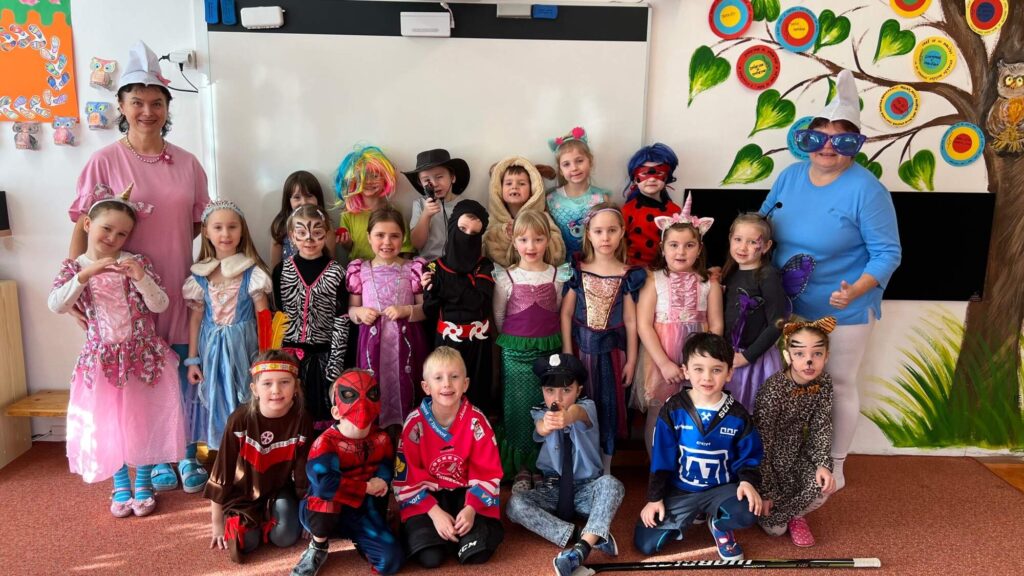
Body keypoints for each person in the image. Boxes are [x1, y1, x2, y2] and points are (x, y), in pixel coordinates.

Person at [69, 40, 209, 492]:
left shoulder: (188, 163)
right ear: (122, 106)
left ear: (167, 107)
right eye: (137, 102)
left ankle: (184, 451)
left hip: (175, 282)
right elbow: (83, 227)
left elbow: (198, 225)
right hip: (118, 295)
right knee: (135, 379)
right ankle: (151, 457)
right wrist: (75, 287)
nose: (147, 111)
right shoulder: (103, 161)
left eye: (156, 103)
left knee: (182, 367)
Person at [760, 69, 901, 490]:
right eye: (819, 137)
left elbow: (888, 252)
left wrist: (856, 289)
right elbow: (762, 224)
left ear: (854, 146)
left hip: (844, 309)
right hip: (786, 306)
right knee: (783, 384)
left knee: (837, 383)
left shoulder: (867, 190)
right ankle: (780, 461)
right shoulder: (789, 176)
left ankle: (835, 466)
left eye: (840, 141)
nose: (827, 148)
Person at [49, 184, 185, 517]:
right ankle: (120, 481)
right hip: (102, 360)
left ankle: (144, 481)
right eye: (106, 228)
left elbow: (160, 304)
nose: (112, 238)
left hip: (142, 357)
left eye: (122, 233)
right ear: (87, 225)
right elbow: (57, 304)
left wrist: (140, 277)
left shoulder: (136, 263)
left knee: (141, 418)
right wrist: (85, 275)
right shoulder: (75, 268)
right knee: (108, 421)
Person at [635, 333, 763, 561]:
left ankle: (719, 524)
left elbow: (749, 455)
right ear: (685, 371)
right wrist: (655, 498)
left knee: (747, 511)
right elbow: (662, 457)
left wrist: (747, 482)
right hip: (682, 489)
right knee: (645, 543)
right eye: (698, 369)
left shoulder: (738, 414)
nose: (707, 377)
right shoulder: (673, 409)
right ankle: (692, 514)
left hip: (721, 489)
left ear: (729, 373)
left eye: (716, 370)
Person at [506, 353, 624, 576]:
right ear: (542, 390)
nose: (557, 398)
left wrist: (568, 417)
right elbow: (541, 427)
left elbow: (577, 413)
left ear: (578, 390)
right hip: (551, 489)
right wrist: (547, 424)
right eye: (550, 390)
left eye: (566, 390)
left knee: (611, 485)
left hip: (585, 489)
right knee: (515, 505)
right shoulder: (540, 412)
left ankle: (580, 551)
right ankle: (587, 535)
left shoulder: (587, 406)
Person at [182, 200, 272, 491]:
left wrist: (266, 357)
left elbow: (263, 316)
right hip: (211, 350)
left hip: (243, 348)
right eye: (218, 227)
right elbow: (196, 318)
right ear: (206, 232)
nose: (225, 233)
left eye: (232, 227)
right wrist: (193, 359)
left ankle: (247, 461)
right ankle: (224, 461)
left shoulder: (251, 272)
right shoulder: (200, 276)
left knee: (245, 399)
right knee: (217, 398)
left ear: (241, 231)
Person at [393, 346, 504, 568]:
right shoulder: (414, 425)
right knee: (430, 558)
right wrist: (435, 514)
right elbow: (405, 479)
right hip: (429, 498)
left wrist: (471, 509)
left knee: (476, 553)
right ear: (426, 386)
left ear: (465, 384)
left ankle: (460, 534)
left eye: (454, 377)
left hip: (466, 494)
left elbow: (489, 472)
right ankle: (440, 534)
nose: (447, 384)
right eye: (438, 378)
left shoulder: (476, 421)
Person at [205, 350, 313, 563]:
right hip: (243, 493)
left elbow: (303, 471)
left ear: (296, 387)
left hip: (278, 490)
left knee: (285, 538)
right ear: (255, 389)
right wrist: (216, 523)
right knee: (248, 543)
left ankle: (269, 514)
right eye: (267, 384)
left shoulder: (302, 419)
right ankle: (241, 516)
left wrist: (307, 513)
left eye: (284, 382)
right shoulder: (239, 420)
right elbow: (222, 471)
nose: (276, 390)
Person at [561, 203, 645, 473]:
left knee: (608, 408)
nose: (605, 237)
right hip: (581, 352)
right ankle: (583, 466)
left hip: (612, 354)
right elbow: (566, 314)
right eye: (598, 231)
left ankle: (606, 469)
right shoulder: (578, 270)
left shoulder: (628, 275)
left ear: (622, 232)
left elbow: (631, 321)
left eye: (611, 231)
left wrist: (632, 360)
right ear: (588, 234)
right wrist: (567, 353)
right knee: (582, 404)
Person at [292, 370, 402, 576]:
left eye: (369, 394)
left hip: (363, 511)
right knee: (326, 495)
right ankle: (318, 545)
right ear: (336, 412)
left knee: (391, 561)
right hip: (325, 511)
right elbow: (325, 485)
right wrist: (367, 487)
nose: (362, 403)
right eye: (351, 395)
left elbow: (386, 467)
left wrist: (383, 481)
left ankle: (362, 540)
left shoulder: (382, 438)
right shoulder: (324, 443)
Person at [635, 198, 722, 455]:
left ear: (699, 249)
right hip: (661, 357)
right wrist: (664, 363)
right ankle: (657, 467)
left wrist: (702, 363)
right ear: (662, 248)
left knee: (694, 412)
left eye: (689, 245)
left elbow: (716, 325)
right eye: (673, 245)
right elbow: (644, 324)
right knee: (659, 412)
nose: (680, 252)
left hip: (698, 359)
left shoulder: (709, 283)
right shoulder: (654, 280)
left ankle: (687, 464)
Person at [492, 211, 569, 486]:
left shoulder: (557, 275)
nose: (531, 246)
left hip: (548, 352)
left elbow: (558, 310)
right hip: (515, 354)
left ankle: (542, 463)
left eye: (538, 239)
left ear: (548, 240)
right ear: (514, 242)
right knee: (516, 408)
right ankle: (521, 465)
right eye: (524, 240)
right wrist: (516, 339)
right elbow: (499, 315)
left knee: (545, 406)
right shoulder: (506, 277)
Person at [754, 318, 838, 547]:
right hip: (770, 461)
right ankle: (779, 512)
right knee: (775, 530)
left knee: (824, 484)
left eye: (817, 353)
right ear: (787, 356)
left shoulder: (824, 383)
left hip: (799, 455)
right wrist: (766, 491)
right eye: (800, 354)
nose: (809, 361)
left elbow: (821, 426)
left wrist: (822, 464)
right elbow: (763, 443)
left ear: (826, 356)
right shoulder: (773, 389)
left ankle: (796, 515)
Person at [347, 207, 427, 437]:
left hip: (407, 342)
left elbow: (425, 310)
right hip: (372, 345)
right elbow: (351, 309)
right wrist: (360, 312)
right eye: (380, 235)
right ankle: (376, 439)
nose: (387, 242)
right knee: (374, 385)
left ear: (403, 237)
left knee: (406, 383)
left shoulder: (413, 269)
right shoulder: (359, 270)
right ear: (369, 236)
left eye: (394, 236)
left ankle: (408, 438)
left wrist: (406, 310)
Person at [273, 205, 350, 432]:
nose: (309, 239)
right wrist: (277, 354)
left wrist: (335, 364)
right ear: (292, 236)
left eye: (317, 232)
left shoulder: (336, 272)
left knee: (319, 413)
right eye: (302, 232)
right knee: (290, 410)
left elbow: (341, 320)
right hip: (289, 355)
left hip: (323, 357)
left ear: (326, 234)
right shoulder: (281, 271)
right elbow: (277, 315)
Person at [421, 200, 498, 417]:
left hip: (478, 344)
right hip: (446, 343)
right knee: (446, 393)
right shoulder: (434, 266)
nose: (467, 237)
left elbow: (479, 303)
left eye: (474, 233)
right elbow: (429, 310)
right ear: (453, 226)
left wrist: (442, 287)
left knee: (478, 396)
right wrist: (432, 291)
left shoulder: (484, 266)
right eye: (463, 229)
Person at [721, 213, 786, 412]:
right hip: (730, 356)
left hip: (756, 359)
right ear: (730, 239)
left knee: (754, 412)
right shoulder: (729, 273)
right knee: (730, 412)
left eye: (752, 242)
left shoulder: (767, 275)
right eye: (738, 239)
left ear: (766, 246)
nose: (743, 247)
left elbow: (778, 322)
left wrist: (748, 356)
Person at [334, 145, 413, 263]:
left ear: (386, 178)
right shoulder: (348, 215)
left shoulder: (394, 212)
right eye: (362, 177)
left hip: (390, 269)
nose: (369, 181)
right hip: (359, 270)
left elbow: (405, 249)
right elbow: (350, 249)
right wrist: (346, 243)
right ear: (352, 181)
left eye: (375, 176)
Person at [482, 156, 565, 268]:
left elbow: (558, 253)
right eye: (508, 183)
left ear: (532, 189)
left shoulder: (542, 217)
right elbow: (488, 251)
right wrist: (505, 236)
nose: (514, 187)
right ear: (499, 188)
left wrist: (534, 235)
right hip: (506, 275)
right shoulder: (494, 220)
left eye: (521, 183)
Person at [546, 127, 611, 262]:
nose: (574, 168)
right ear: (561, 170)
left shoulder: (601, 198)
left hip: (594, 262)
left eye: (579, 161)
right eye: (566, 164)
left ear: (590, 161)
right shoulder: (551, 200)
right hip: (561, 264)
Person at [621, 143, 682, 267]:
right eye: (644, 173)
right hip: (635, 270)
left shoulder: (675, 211)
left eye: (659, 172)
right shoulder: (627, 211)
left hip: (667, 269)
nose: (652, 179)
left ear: (667, 177)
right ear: (635, 178)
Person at [406, 149, 469, 262]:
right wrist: (425, 216)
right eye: (427, 180)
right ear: (421, 183)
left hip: (456, 263)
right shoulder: (420, 204)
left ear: (452, 177)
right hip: (429, 263)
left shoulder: (465, 206)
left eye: (439, 177)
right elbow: (416, 244)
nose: (434, 184)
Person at [270, 170, 337, 269]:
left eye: (309, 196)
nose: (304, 202)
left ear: (318, 198)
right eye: (297, 197)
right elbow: (274, 265)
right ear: (289, 201)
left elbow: (331, 262)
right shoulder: (280, 226)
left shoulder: (326, 226)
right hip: (287, 277)